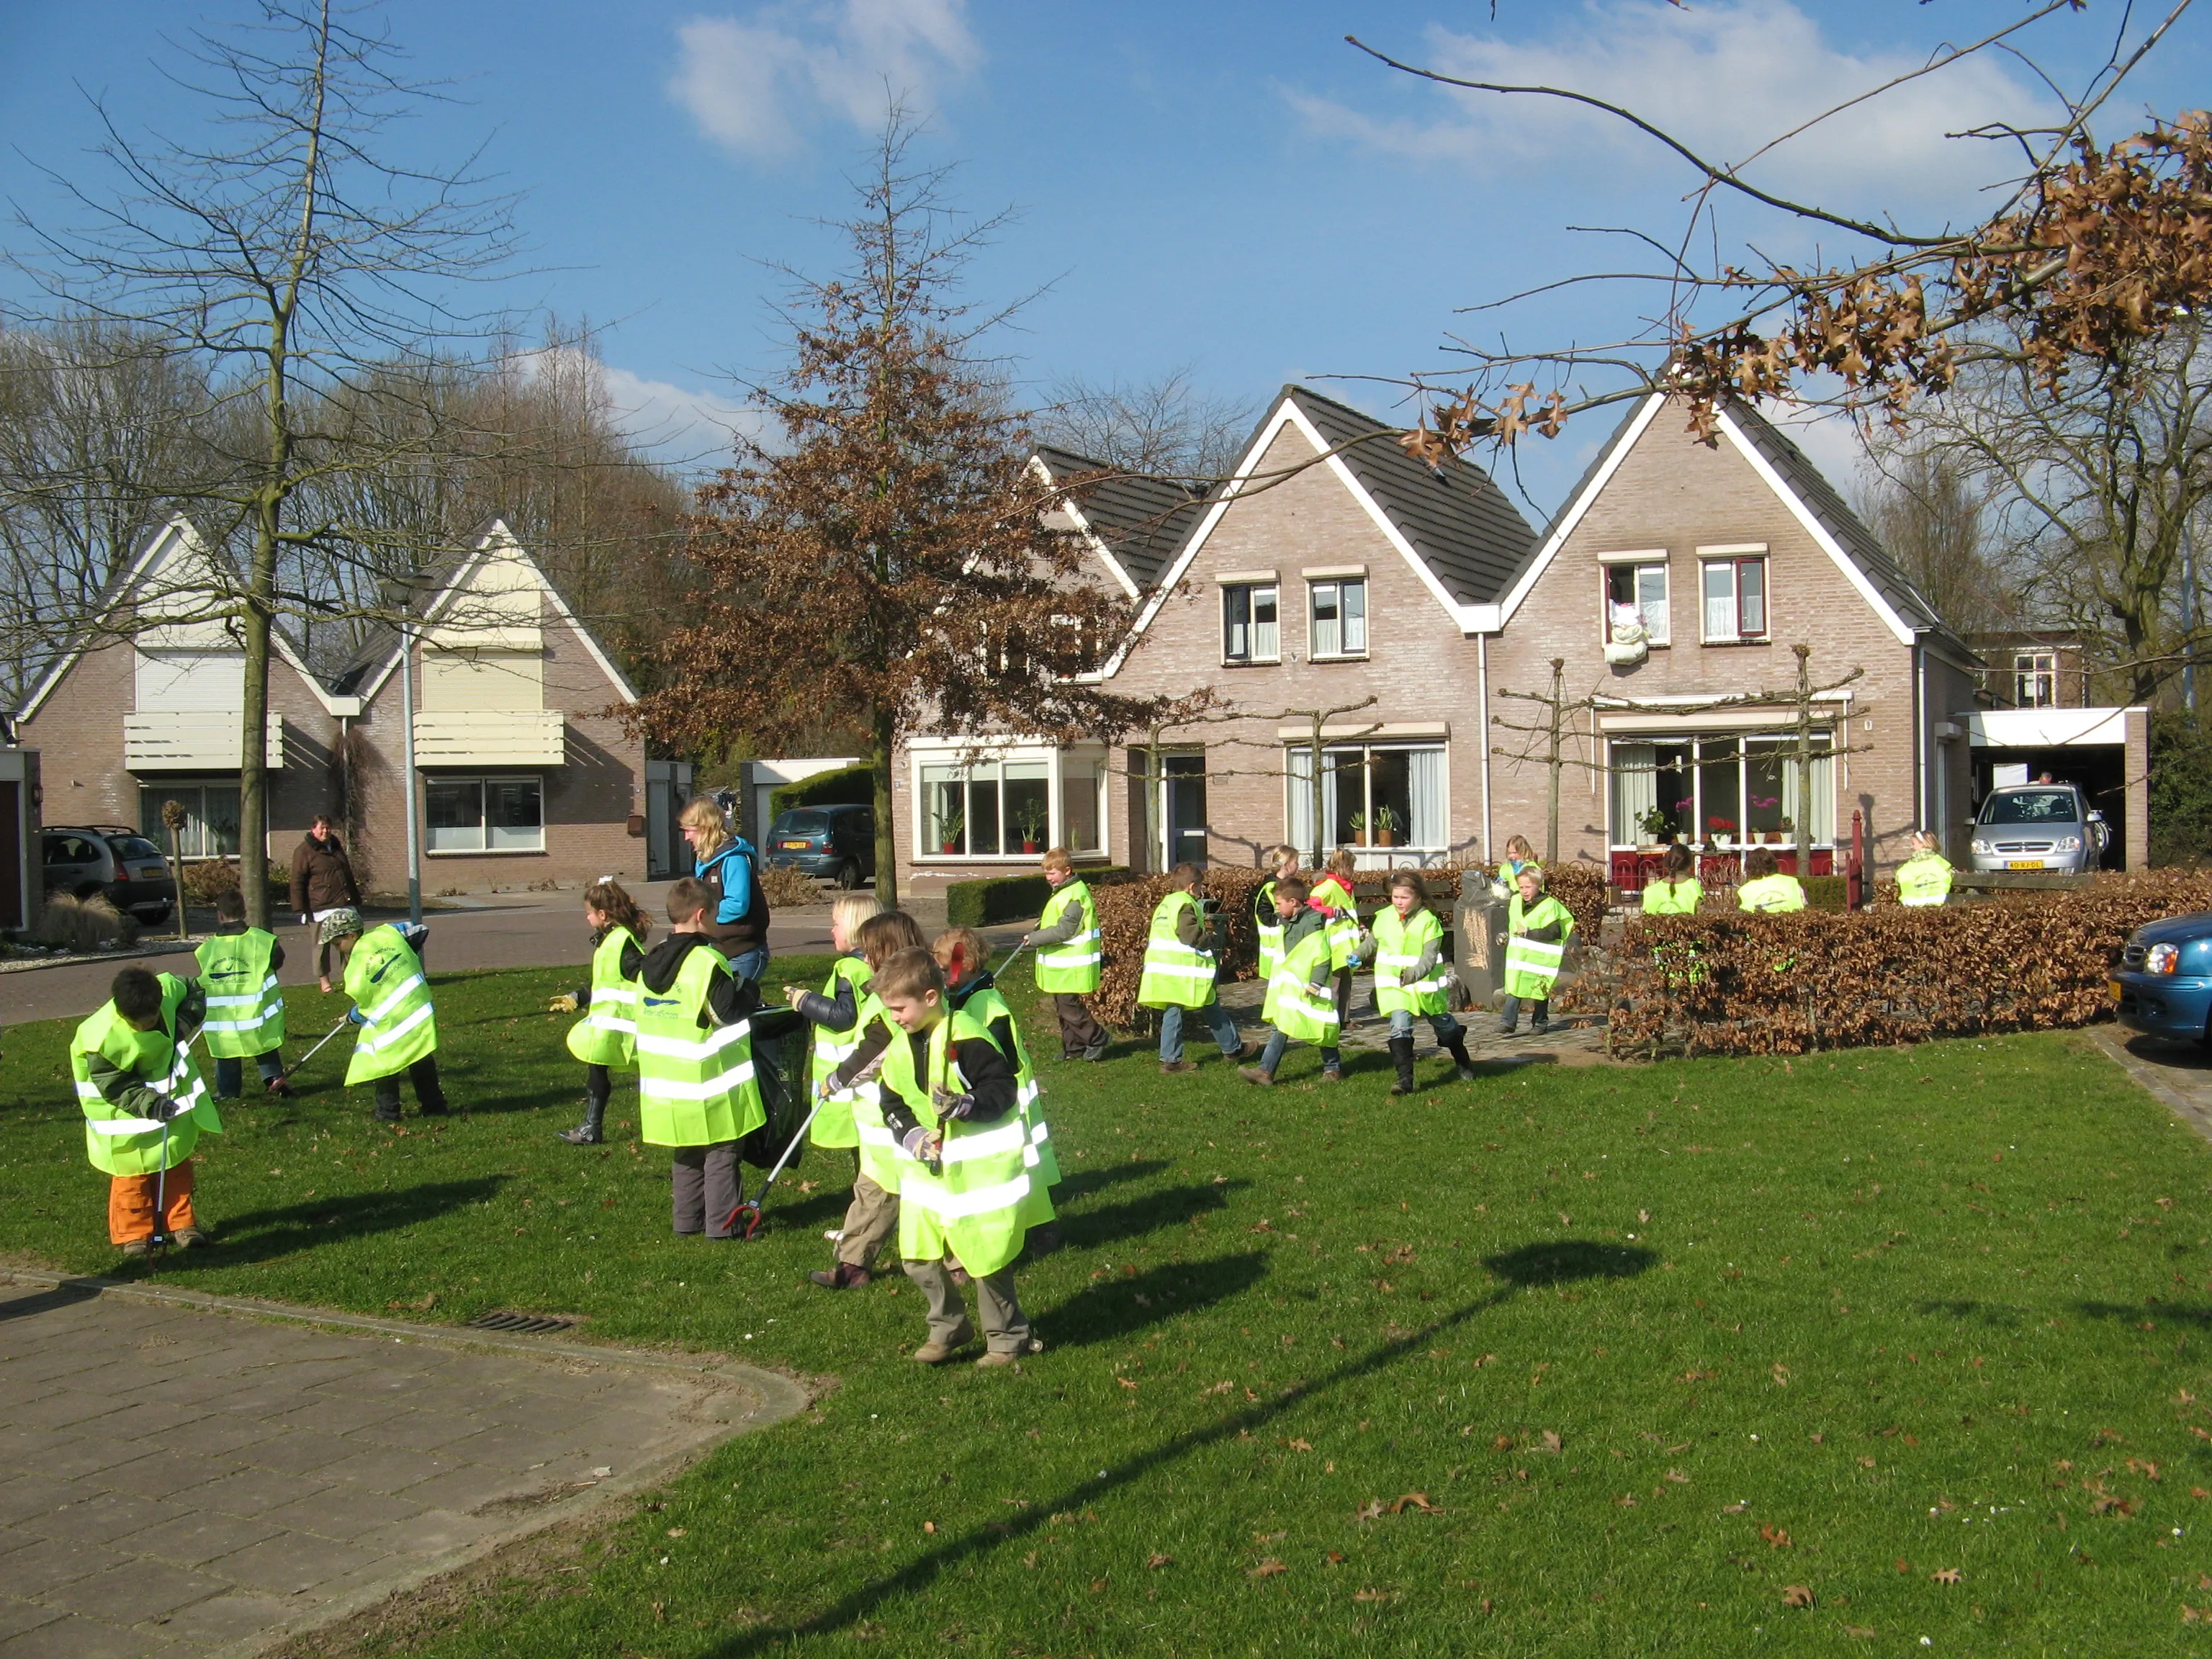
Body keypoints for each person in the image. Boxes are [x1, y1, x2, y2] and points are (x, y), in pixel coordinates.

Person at [821, 947, 1044, 1368]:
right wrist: (911, 1134)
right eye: (889, 1009)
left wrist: (966, 1104)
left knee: (985, 1258)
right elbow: (892, 1101)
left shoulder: (968, 1039)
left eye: (899, 1008)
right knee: (918, 1257)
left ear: (929, 997)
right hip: (927, 1173)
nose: (894, 1017)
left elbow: (1002, 1089)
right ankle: (948, 1327)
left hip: (979, 1176)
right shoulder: (902, 1045)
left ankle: (1006, 1337)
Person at [634, 878, 763, 1240]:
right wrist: (749, 989)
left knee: (686, 1152)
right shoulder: (706, 961)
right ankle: (724, 1225)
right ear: (701, 915)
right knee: (722, 1151)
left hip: (666, 1084)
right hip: (709, 1080)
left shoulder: (652, 961)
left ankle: (686, 1221)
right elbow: (726, 1013)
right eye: (717, 914)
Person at [806, 909, 926, 1288]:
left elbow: (873, 1050)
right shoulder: (887, 993)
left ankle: (957, 1267)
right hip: (879, 1121)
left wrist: (837, 1080)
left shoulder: (899, 997)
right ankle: (852, 1266)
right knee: (872, 1193)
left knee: (926, 1197)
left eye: (871, 951)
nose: (866, 958)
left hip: (902, 1118)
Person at [72, 966, 221, 1256]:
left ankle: (182, 1224)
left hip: (168, 1108)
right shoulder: (99, 1038)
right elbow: (116, 1086)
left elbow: (195, 989)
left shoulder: (166, 990)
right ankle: (135, 1234)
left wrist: (184, 1022)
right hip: (121, 1119)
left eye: (150, 1020)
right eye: (134, 1023)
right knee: (131, 1177)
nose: (143, 1027)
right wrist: (151, 1104)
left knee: (175, 1164)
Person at [935, 925, 1062, 1249]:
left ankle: (1040, 1230)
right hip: (1001, 1097)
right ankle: (1034, 1226)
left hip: (1007, 1098)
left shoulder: (985, 1006)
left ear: (966, 965)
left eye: (944, 965)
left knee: (1023, 1165)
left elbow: (995, 1058)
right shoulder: (970, 999)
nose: (940, 973)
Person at [549, 880, 649, 1145]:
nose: (587, 917)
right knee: (597, 1068)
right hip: (609, 1022)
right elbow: (606, 980)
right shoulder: (612, 940)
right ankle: (591, 1127)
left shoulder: (620, 942)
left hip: (622, 1022)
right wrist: (577, 997)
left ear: (602, 915)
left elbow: (640, 973)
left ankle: (594, 1127)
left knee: (609, 1070)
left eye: (590, 913)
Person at [325, 908, 448, 1120]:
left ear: (351, 935)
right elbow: (419, 930)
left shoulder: (356, 964)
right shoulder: (387, 933)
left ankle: (388, 1113)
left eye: (338, 944)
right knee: (420, 1057)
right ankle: (435, 1107)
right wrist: (408, 949)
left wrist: (353, 1016)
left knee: (384, 1064)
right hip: (416, 1010)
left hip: (392, 1021)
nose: (339, 950)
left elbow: (366, 1004)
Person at [1139, 865, 1251, 1074]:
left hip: (1166, 969)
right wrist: (1210, 939)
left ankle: (1233, 1048)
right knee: (1180, 1011)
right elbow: (1189, 935)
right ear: (1192, 887)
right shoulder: (1185, 904)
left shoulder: (1166, 904)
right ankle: (1172, 1060)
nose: (1201, 892)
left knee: (1208, 1003)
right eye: (1200, 887)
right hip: (1181, 971)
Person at [1372, 872, 1475, 1094]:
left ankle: (1461, 1054)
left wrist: (1412, 975)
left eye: (1404, 897)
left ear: (1418, 897)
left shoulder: (1429, 922)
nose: (1398, 902)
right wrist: (1357, 954)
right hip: (1398, 988)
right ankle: (1404, 1080)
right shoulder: (1385, 916)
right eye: (1395, 897)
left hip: (1425, 989)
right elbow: (1373, 940)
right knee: (1400, 1027)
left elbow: (1429, 959)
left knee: (1445, 1028)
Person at [1241, 876, 1341, 1085]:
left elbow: (1322, 956)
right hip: (1295, 988)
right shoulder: (1291, 922)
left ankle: (1333, 1068)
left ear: (1294, 902)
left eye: (1279, 904)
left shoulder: (1311, 925)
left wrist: (1316, 984)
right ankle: (1265, 1071)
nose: (1277, 909)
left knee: (1321, 1025)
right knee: (1282, 1025)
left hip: (1310, 987)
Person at [199, 886, 292, 1100]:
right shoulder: (263, 940)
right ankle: (274, 1080)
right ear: (245, 913)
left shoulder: (208, 948)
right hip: (256, 1010)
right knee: (263, 1041)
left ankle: (228, 1092)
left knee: (226, 1051)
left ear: (219, 916)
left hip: (224, 1018)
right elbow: (277, 961)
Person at [680, 797, 771, 989]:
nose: (686, 837)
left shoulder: (734, 859)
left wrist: (702, 916)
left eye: (689, 830)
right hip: (718, 950)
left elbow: (737, 905)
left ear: (705, 828)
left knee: (732, 1011)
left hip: (743, 953)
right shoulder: (704, 860)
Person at [1025, 848, 1106, 1061]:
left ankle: (1097, 1038)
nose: (1048, 878)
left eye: (1052, 873)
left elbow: (1066, 930)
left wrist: (1035, 939)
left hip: (1073, 964)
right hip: (1063, 965)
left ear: (1067, 871)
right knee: (1063, 1008)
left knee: (1070, 1008)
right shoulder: (1065, 892)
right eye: (1046, 873)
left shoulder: (1076, 895)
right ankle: (1073, 1048)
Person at [1499, 866, 1575, 1037]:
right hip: (1519, 957)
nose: (1524, 891)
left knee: (1539, 991)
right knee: (1514, 987)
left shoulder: (1550, 906)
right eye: (1521, 887)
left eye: (1528, 887)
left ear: (1539, 885)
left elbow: (1554, 932)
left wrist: (1529, 933)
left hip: (1541, 960)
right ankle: (1507, 1022)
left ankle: (1540, 1023)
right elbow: (1514, 926)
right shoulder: (1516, 901)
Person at [290, 814, 361, 993]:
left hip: (343, 904)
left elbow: (347, 874)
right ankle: (325, 982)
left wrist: (354, 898)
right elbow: (297, 881)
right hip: (319, 908)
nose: (325, 831)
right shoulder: (303, 851)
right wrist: (301, 909)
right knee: (321, 947)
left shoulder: (336, 847)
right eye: (322, 828)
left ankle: (350, 978)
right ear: (313, 829)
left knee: (349, 944)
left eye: (328, 827)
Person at [1308, 850, 1363, 1028]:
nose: (1354, 871)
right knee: (1335, 985)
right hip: (1333, 945)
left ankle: (1344, 1019)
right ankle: (1331, 1020)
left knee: (1346, 983)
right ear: (1345, 867)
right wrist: (1330, 912)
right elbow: (1310, 907)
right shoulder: (1329, 886)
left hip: (1346, 945)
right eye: (1352, 867)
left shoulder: (1346, 886)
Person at [1255, 845, 1300, 989]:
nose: (1298, 866)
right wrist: (1280, 919)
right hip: (1275, 944)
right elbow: (1262, 914)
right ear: (1286, 865)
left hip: (1285, 941)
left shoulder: (1286, 886)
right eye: (1296, 862)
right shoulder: (1271, 888)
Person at [1736, 845, 1807, 914]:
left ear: (1749, 867)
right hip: (1792, 923)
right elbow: (1804, 903)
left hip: (1759, 924)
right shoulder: (1792, 882)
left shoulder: (1744, 890)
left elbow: (1742, 915)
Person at [1896, 830, 1955, 907]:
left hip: (1911, 903)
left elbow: (1899, 878)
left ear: (1922, 844)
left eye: (1913, 844)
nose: (1911, 847)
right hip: (1939, 901)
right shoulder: (1940, 862)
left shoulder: (1907, 868)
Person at [1641, 842, 1702, 915]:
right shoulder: (1693, 887)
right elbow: (1701, 919)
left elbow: (1646, 921)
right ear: (1690, 865)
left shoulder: (1650, 891)